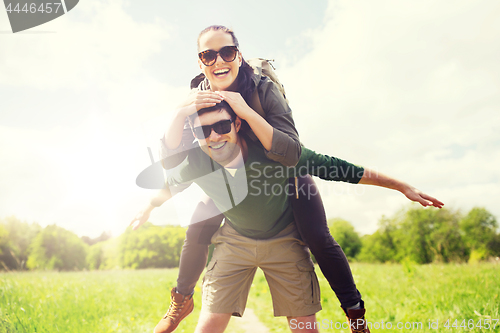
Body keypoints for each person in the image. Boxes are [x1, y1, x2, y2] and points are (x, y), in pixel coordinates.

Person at [133, 25, 443, 333]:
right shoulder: (199, 105)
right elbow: (175, 166)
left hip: (283, 168)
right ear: (200, 63)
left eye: (226, 52)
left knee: (318, 238)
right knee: (199, 223)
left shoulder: (261, 90)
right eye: (208, 55)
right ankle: (180, 300)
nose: (218, 61)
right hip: (233, 198)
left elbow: (309, 157)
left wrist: (402, 186)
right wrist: (150, 204)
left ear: (239, 56)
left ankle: (355, 313)